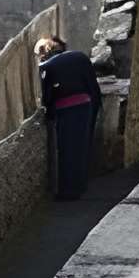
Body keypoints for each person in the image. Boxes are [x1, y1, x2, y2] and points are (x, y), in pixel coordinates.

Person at [34, 34, 101, 200]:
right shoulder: (80, 57)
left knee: (66, 150)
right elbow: (93, 86)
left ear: (44, 53)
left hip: (65, 109)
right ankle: (80, 187)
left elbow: (47, 96)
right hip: (85, 104)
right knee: (81, 148)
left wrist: (49, 115)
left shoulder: (46, 67)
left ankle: (67, 192)